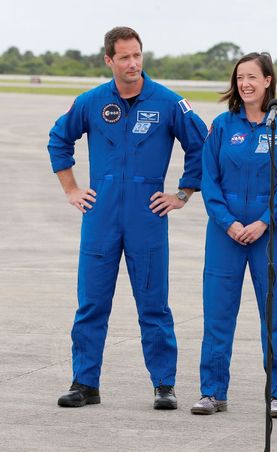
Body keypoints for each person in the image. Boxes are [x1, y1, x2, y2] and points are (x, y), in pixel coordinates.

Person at [47, 26, 207, 410]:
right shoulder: (90, 101)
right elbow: (58, 139)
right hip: (100, 215)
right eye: (124, 57)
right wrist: (71, 189)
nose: (133, 63)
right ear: (109, 60)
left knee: (154, 305)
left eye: (137, 55)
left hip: (146, 215)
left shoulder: (169, 103)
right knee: (91, 303)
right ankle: (85, 383)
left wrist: (182, 194)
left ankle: (164, 385)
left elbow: (201, 146)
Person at [191, 52, 277, 417]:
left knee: (275, 316)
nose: (245, 84)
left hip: (270, 233)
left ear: (268, 81)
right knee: (217, 315)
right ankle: (213, 392)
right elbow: (208, 180)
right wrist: (228, 222)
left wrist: (264, 221)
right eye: (240, 77)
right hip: (225, 232)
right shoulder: (222, 126)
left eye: (252, 77)